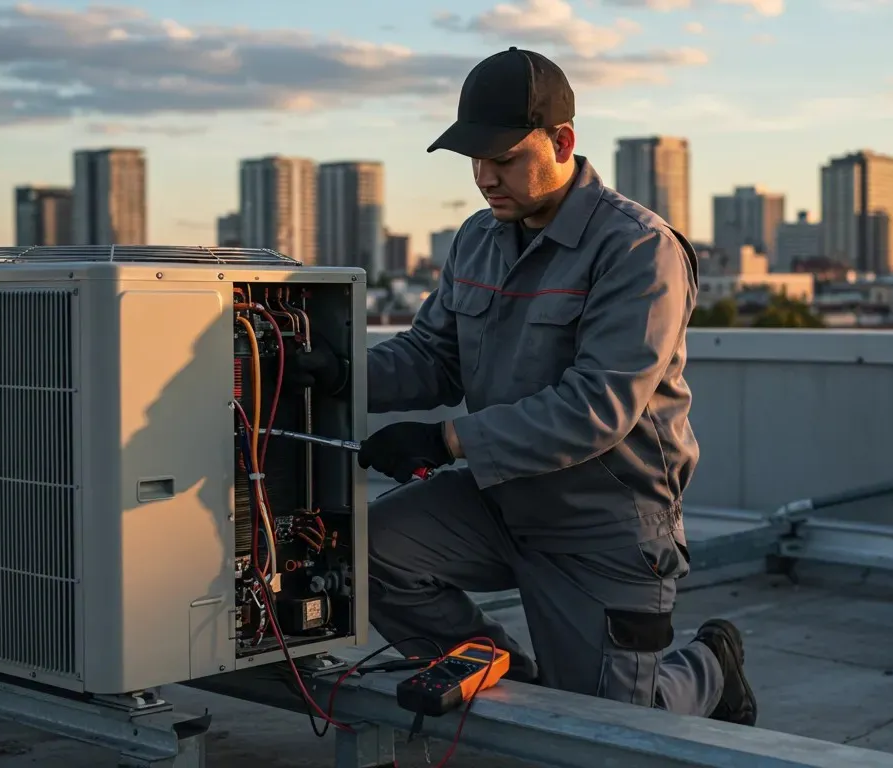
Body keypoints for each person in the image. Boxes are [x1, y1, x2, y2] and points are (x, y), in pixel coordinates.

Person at [287, 47, 756, 725]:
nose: (483, 178)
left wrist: (447, 438)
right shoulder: (478, 238)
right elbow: (433, 355)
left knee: (613, 732)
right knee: (366, 551)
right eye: (474, 160)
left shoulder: (636, 250)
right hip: (501, 503)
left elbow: (599, 406)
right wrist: (340, 369)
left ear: (563, 141)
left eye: (503, 159)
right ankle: (516, 684)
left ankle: (710, 667)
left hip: (604, 524)